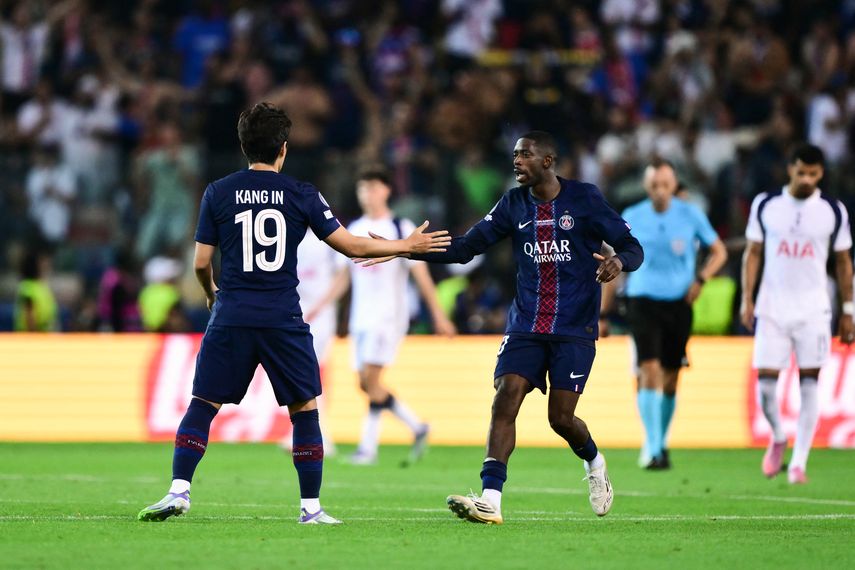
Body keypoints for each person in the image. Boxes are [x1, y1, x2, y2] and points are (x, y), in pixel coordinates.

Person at [137, 102, 450, 524]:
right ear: (283, 149)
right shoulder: (302, 193)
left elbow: (199, 262)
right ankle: (310, 508)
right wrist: (404, 246)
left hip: (232, 313)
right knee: (304, 409)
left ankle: (178, 491)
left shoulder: (217, 191)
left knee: (203, 404)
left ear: (244, 146)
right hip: (281, 316)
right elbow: (352, 246)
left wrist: (212, 292)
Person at [360, 131, 643, 524]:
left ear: (548, 160)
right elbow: (465, 249)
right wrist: (405, 248)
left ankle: (594, 462)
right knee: (506, 396)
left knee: (560, 419)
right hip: (526, 324)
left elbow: (632, 247)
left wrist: (619, 263)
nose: (516, 161)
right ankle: (491, 499)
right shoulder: (513, 204)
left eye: (525, 154)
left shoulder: (585, 199)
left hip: (574, 327)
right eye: (514, 154)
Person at [307, 168, 457, 466]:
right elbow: (343, 278)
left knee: (370, 380)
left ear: (386, 191)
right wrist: (320, 306)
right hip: (360, 318)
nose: (367, 193)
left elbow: (422, 276)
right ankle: (417, 427)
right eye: (363, 188)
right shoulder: (353, 228)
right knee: (366, 384)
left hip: (388, 316)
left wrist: (439, 315)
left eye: (373, 187)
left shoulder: (401, 227)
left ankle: (370, 447)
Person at [740, 143, 854, 484]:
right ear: (790, 168)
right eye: (801, 172)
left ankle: (799, 462)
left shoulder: (833, 210)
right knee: (766, 388)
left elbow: (844, 261)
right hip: (773, 307)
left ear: (821, 174)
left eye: (814, 174)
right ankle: (778, 435)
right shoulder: (766, 204)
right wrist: (747, 298)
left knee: (809, 384)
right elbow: (753, 252)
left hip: (814, 309)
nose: (806, 179)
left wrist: (848, 309)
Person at [619, 160, 727, 469]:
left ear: (674, 184)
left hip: (679, 303)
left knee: (670, 376)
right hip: (642, 300)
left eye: (665, 184)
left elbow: (718, 251)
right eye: (654, 185)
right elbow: (617, 255)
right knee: (648, 369)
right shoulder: (633, 216)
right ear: (646, 186)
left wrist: (702, 279)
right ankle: (651, 447)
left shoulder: (689, 213)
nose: (660, 191)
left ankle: (661, 442)